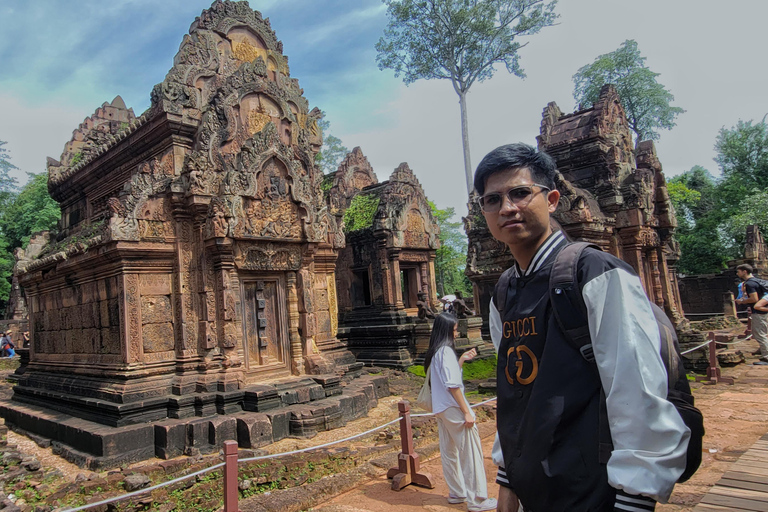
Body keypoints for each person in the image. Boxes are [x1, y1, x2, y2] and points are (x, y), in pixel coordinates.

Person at [474, 143, 690, 512]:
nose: (507, 208)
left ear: (553, 199)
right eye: (492, 200)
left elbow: (635, 389)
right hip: (534, 486)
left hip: (594, 488)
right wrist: (508, 480)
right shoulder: (505, 292)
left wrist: (634, 499)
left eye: (521, 193)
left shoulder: (595, 274)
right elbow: (515, 393)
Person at [423, 312, 497, 512]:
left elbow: (447, 377)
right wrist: (467, 412)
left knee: (449, 451)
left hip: (442, 409)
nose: (456, 334)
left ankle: (457, 492)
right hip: (454, 408)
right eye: (454, 330)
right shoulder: (445, 351)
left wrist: (462, 359)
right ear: (446, 331)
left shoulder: (436, 352)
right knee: (471, 452)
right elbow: (453, 385)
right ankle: (478, 500)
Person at [735, 264, 768, 364]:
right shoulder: (757, 280)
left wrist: (742, 301)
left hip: (758, 312)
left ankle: (766, 357)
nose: (737, 273)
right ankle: (763, 350)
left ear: (744, 271)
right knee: (763, 333)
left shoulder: (750, 284)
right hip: (763, 310)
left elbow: (754, 299)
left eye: (738, 271)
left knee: (759, 334)